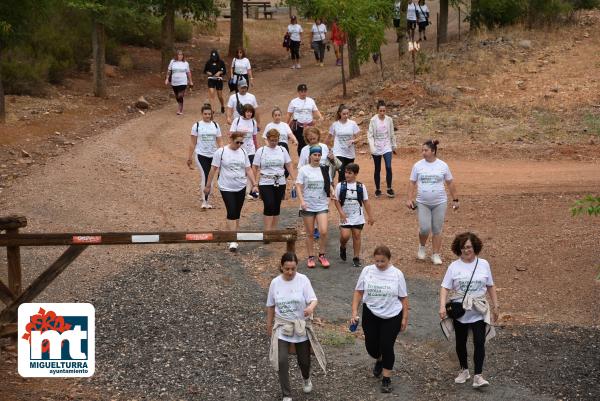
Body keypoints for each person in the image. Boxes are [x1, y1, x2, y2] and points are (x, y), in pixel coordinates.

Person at [439, 232, 499, 388]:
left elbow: (490, 286)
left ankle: (478, 376)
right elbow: (445, 287)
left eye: (469, 247)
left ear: (475, 247)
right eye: (463, 247)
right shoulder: (454, 266)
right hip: (460, 310)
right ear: (459, 249)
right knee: (461, 341)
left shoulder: (484, 264)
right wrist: (442, 306)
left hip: (479, 309)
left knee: (480, 341)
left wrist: (496, 306)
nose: (467, 250)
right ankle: (464, 370)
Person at [267, 252, 326, 401]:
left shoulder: (303, 280)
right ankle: (286, 394)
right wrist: (269, 325)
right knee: (281, 360)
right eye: (287, 269)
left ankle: (306, 378)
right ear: (281, 267)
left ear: (296, 267)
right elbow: (271, 306)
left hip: (300, 325)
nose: (290, 272)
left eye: (293, 268)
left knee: (304, 360)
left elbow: (313, 299)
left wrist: (310, 308)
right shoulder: (275, 283)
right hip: (282, 325)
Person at [350, 246, 409, 393]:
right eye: (377, 261)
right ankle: (379, 358)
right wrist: (354, 312)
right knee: (371, 346)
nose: (379, 264)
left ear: (389, 259)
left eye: (383, 261)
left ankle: (386, 378)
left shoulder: (397, 274)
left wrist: (404, 318)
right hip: (371, 312)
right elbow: (358, 292)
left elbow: (403, 298)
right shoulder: (367, 271)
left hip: (392, 315)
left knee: (387, 345)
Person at [405, 140, 459, 265]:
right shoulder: (418, 165)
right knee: (424, 228)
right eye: (422, 150)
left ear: (433, 151)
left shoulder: (443, 165)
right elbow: (412, 182)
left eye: (426, 150)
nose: (423, 152)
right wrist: (409, 199)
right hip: (422, 202)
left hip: (440, 202)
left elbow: (450, 182)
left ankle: (435, 254)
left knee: (437, 229)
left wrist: (455, 199)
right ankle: (422, 246)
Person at [204, 132, 258, 252]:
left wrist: (254, 184)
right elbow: (213, 169)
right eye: (237, 142)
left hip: (241, 185)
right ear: (231, 139)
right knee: (231, 210)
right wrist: (208, 185)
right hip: (226, 186)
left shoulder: (243, 152)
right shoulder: (221, 152)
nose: (239, 144)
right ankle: (233, 239)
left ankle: (233, 235)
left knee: (237, 212)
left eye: (241, 142)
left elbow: (248, 169)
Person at [295, 145, 334, 268]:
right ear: (310, 156)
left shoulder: (324, 169)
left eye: (319, 155)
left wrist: (332, 191)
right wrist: (302, 202)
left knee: (323, 231)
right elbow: (298, 186)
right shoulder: (304, 170)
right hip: (308, 205)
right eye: (314, 155)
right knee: (310, 233)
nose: (317, 157)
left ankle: (321, 255)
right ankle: (310, 256)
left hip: (321, 204)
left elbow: (328, 183)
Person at [253, 129, 295, 231]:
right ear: (267, 139)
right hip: (265, 181)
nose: (274, 142)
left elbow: (288, 164)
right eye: (271, 140)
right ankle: (267, 230)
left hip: (280, 181)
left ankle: (274, 230)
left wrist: (294, 179)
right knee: (269, 204)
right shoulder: (261, 151)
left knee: (276, 205)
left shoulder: (282, 150)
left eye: (276, 140)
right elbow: (255, 167)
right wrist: (254, 183)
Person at [333, 163, 374, 267]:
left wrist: (370, 216)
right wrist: (341, 213)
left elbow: (366, 201)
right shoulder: (340, 186)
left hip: (357, 216)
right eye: (346, 172)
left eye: (349, 173)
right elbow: (336, 200)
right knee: (345, 236)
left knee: (356, 235)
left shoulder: (361, 186)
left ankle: (356, 257)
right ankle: (343, 246)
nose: (346, 175)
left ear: (355, 174)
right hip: (345, 215)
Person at [186, 103, 223, 209]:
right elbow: (192, 143)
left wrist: (222, 153)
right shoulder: (197, 126)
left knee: (210, 178)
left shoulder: (215, 125)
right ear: (202, 114)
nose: (207, 116)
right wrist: (189, 157)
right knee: (205, 176)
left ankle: (206, 198)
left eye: (209, 114)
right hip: (200, 154)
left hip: (213, 155)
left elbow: (220, 141)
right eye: (205, 114)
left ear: (211, 114)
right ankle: (204, 201)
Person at [367, 100, 397, 198]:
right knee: (377, 168)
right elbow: (370, 135)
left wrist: (393, 145)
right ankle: (378, 189)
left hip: (387, 145)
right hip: (376, 146)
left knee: (388, 167)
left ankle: (389, 188)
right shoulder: (373, 120)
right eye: (380, 111)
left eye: (384, 111)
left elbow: (392, 133)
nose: (382, 113)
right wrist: (372, 148)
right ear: (377, 110)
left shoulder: (389, 120)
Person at [230, 103, 259, 200]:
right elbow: (231, 134)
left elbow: (254, 137)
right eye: (247, 112)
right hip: (239, 149)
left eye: (251, 112)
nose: (249, 114)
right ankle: (238, 190)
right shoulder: (237, 121)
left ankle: (248, 192)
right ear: (244, 112)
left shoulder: (253, 122)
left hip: (251, 149)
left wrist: (257, 148)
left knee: (250, 170)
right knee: (240, 170)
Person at [287, 84, 322, 156]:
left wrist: (320, 116)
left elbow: (315, 110)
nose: (303, 93)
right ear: (298, 92)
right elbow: (289, 114)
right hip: (299, 126)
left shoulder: (311, 101)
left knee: (311, 141)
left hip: (310, 126)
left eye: (305, 91)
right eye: (301, 91)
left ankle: (311, 157)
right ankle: (302, 160)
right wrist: (286, 125)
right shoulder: (293, 102)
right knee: (301, 144)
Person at [328, 104, 360, 182]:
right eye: (344, 114)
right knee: (342, 173)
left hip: (350, 153)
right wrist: (326, 148)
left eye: (347, 114)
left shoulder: (352, 123)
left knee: (349, 173)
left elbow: (359, 137)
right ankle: (340, 191)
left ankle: (347, 190)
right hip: (339, 152)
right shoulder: (335, 124)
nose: (346, 115)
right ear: (339, 113)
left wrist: (353, 141)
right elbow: (328, 138)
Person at [164, 49, 193, 115]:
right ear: (176, 55)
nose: (180, 56)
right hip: (174, 82)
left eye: (181, 55)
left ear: (183, 56)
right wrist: (167, 79)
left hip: (183, 82)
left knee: (180, 95)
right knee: (177, 96)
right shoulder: (172, 62)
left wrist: (190, 81)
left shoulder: (185, 63)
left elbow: (188, 73)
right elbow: (169, 71)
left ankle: (180, 108)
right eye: (179, 54)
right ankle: (180, 104)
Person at [204, 49, 227, 114]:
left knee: (219, 95)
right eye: (213, 57)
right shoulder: (208, 62)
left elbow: (224, 71)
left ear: (217, 56)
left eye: (215, 57)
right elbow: (205, 70)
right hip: (211, 79)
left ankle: (222, 105)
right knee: (211, 93)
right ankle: (212, 109)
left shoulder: (221, 62)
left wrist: (219, 72)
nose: (214, 58)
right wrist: (208, 72)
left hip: (219, 80)